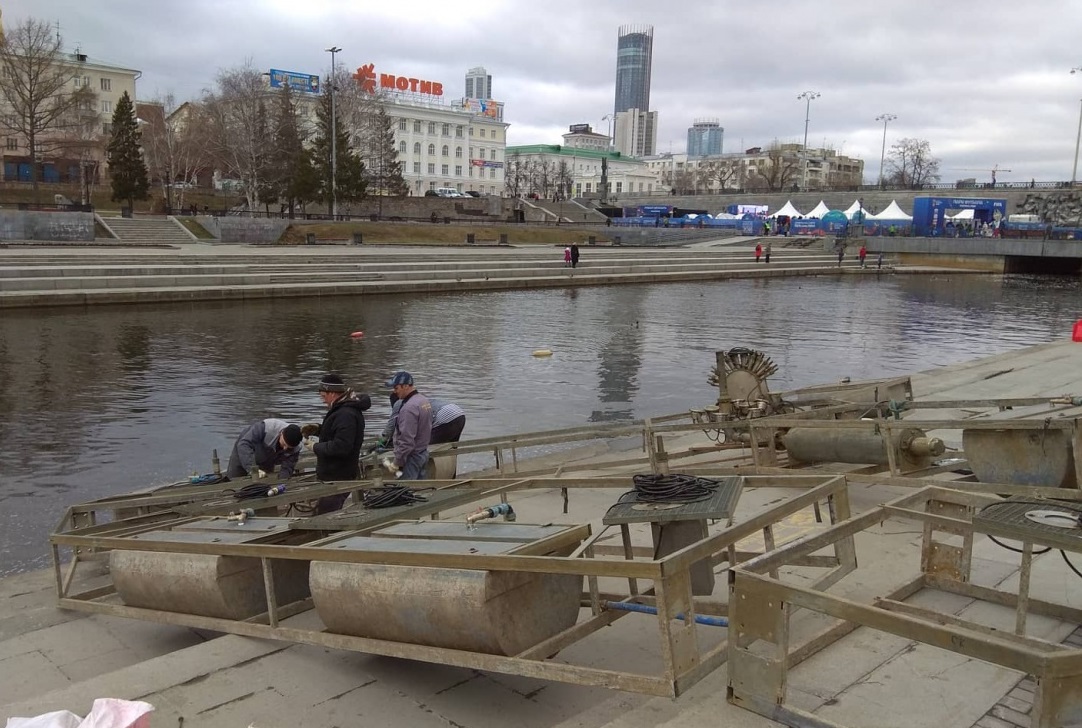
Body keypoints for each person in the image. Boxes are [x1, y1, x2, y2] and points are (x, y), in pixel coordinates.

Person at [310, 373, 372, 513]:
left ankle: (331, 535)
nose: (323, 400)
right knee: (323, 513)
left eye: (324, 396)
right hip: (335, 475)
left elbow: (342, 446)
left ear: (332, 393)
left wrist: (315, 447)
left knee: (324, 518)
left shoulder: (345, 414)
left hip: (338, 476)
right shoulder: (343, 410)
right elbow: (339, 433)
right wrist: (319, 430)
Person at [385, 371, 432, 480]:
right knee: (420, 490)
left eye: (396, 388)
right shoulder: (423, 401)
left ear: (406, 386)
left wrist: (397, 462)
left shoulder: (408, 408)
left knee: (406, 492)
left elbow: (406, 440)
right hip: (423, 453)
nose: (394, 391)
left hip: (411, 458)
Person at [226, 419, 303, 481]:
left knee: (264, 483)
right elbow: (244, 444)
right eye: (284, 444)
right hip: (244, 452)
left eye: (289, 447)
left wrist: (282, 482)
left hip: (268, 459)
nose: (285, 448)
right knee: (233, 480)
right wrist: (252, 468)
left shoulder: (295, 448)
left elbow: (287, 468)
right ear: (281, 433)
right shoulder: (265, 428)